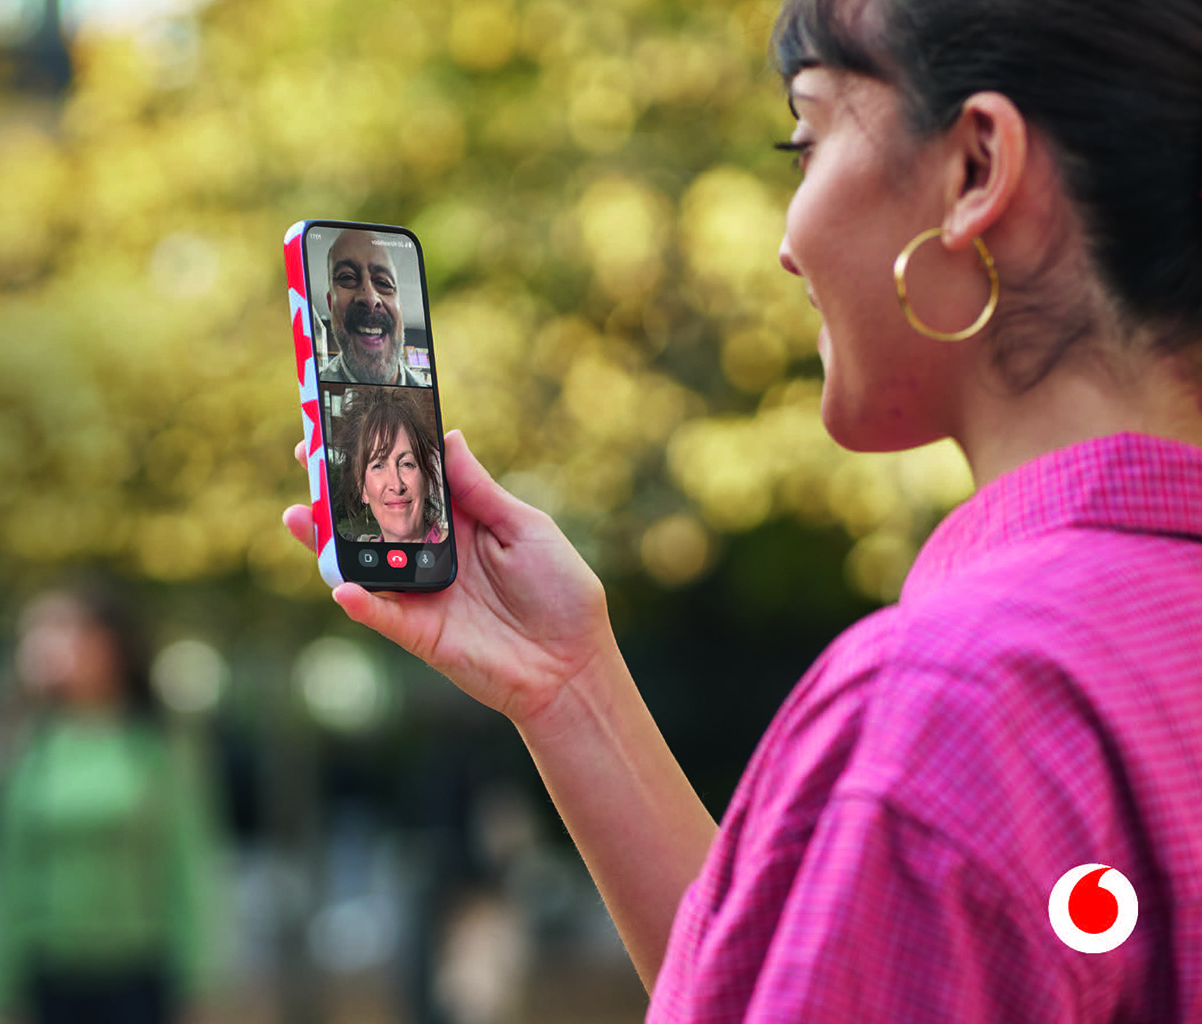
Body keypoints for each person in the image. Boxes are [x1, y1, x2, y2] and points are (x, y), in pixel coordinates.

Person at [286, 0, 1202, 1020]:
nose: (786, 245)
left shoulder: (952, 702)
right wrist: (571, 690)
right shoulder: (1123, 643)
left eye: (805, 142)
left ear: (976, 168)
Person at [0, 583, 227, 1024]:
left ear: (113, 646)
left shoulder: (156, 746)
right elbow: (1, 873)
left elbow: (188, 865)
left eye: (74, 634)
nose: (58, 650)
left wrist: (198, 982)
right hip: (46, 977)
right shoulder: (20, 747)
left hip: (138, 978)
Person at [333, 386, 448, 544]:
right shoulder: (358, 560)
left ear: (426, 479)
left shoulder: (460, 551)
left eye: (407, 464)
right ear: (363, 489)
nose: (396, 485)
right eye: (378, 466)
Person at [318, 229, 431, 387]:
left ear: (400, 308)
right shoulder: (312, 392)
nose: (370, 299)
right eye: (348, 278)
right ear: (331, 304)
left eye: (383, 283)